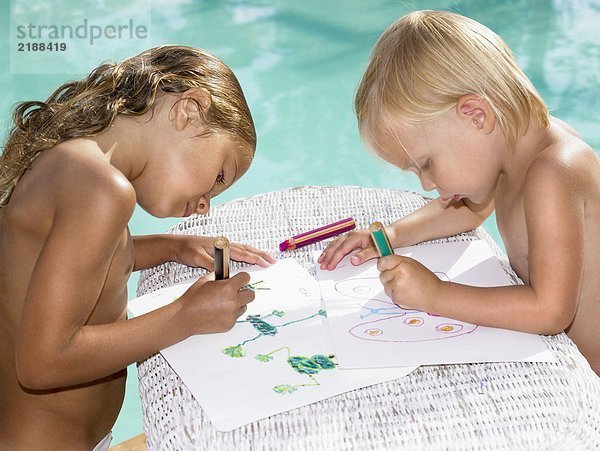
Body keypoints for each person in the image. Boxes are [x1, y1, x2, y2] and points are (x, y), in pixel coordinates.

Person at [0, 45, 276, 450]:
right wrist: (185, 315)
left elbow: (76, 264)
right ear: (189, 110)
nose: (205, 203)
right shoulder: (103, 190)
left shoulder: (76, 160)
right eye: (219, 175)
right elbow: (42, 363)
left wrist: (172, 246)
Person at [318, 11, 600, 375]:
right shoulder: (512, 153)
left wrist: (434, 295)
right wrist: (391, 235)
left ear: (475, 115)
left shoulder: (553, 171)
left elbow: (549, 310)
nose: (426, 183)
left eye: (427, 164)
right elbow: (466, 209)